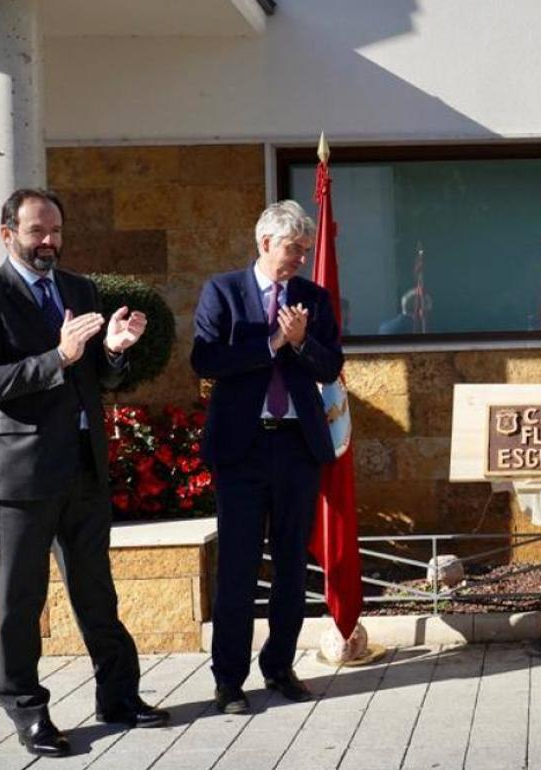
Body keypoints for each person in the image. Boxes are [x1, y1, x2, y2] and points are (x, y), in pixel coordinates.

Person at [0, 188, 165, 758]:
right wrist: (56, 357)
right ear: (8, 233)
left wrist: (113, 352)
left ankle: (119, 696)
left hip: (84, 467)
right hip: (22, 474)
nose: (49, 242)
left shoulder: (80, 289)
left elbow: (95, 382)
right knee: (20, 599)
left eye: (55, 230)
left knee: (96, 590)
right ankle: (26, 709)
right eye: (37, 231)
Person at [191, 200, 344, 714]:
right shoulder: (224, 292)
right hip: (241, 448)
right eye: (292, 248)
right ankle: (229, 680)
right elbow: (206, 358)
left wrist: (301, 344)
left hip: (296, 446)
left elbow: (331, 366)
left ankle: (279, 665)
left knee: (290, 567)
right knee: (237, 567)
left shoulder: (313, 298)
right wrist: (275, 340)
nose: (301, 257)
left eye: (306, 248)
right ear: (263, 244)